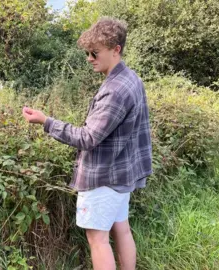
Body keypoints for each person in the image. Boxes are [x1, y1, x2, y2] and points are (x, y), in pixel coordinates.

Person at [22, 17, 152, 270]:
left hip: (104, 176)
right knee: (121, 230)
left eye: (95, 52)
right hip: (122, 174)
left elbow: (88, 137)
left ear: (116, 49)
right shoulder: (131, 78)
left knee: (97, 239)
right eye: (86, 52)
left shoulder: (115, 90)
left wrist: (46, 121)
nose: (89, 58)